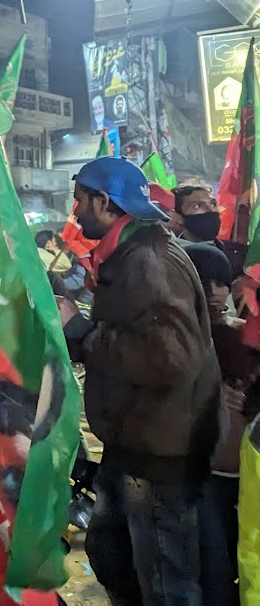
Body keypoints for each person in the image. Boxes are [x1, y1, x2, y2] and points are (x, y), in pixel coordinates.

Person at [62, 157, 221, 605]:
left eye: (80, 201)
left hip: (157, 454)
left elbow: (171, 358)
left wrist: (81, 330)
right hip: (133, 444)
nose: (75, 211)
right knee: (114, 558)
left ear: (103, 201)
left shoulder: (148, 260)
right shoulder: (129, 254)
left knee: (165, 582)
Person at [184, 243, 260, 606]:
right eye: (204, 281)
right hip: (208, 476)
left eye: (221, 282)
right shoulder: (182, 341)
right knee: (215, 570)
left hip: (249, 476)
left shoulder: (247, 336)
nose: (214, 292)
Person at [173, 183, 245, 278]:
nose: (211, 210)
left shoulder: (242, 256)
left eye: (213, 204)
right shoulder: (171, 256)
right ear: (178, 217)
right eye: (197, 206)